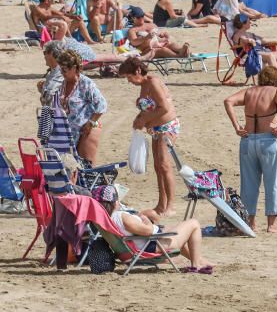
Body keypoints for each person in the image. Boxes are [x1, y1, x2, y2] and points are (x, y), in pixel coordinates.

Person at [92, 184, 213, 273]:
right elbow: (148, 231)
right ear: (114, 202)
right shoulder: (121, 217)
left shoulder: (104, 219)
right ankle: (196, 265)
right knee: (194, 224)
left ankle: (201, 261)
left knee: (180, 229)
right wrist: (145, 220)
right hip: (153, 246)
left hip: (144, 243)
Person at [224, 66, 277, 233]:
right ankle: (271, 224)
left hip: (248, 140)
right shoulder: (276, 91)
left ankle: (250, 222)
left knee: (248, 183)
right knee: (272, 181)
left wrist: (237, 126)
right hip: (268, 140)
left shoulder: (249, 91)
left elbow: (228, 101)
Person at [119, 57, 180, 217]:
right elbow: (149, 107)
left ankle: (171, 206)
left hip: (167, 127)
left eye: (129, 77)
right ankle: (161, 204)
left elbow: (164, 108)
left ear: (138, 71)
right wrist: (139, 118)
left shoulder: (153, 82)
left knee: (165, 165)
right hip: (155, 128)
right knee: (158, 167)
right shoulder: (144, 84)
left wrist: (144, 120)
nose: (129, 81)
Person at [57, 50, 107, 164]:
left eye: (64, 70)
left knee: (86, 168)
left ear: (74, 68)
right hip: (69, 133)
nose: (62, 73)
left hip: (86, 131)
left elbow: (101, 104)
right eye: (61, 70)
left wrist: (91, 122)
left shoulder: (86, 83)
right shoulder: (63, 84)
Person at [231, 13, 277, 86]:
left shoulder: (249, 34)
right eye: (248, 21)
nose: (250, 22)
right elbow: (242, 40)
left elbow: (264, 41)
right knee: (270, 55)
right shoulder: (237, 35)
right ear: (243, 24)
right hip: (249, 56)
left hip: (258, 53)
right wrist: (248, 41)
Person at [38, 40, 65, 106]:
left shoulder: (61, 72)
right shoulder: (54, 71)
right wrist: (42, 89)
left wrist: (43, 92)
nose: (44, 56)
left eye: (45, 53)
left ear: (51, 53)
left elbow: (48, 97)